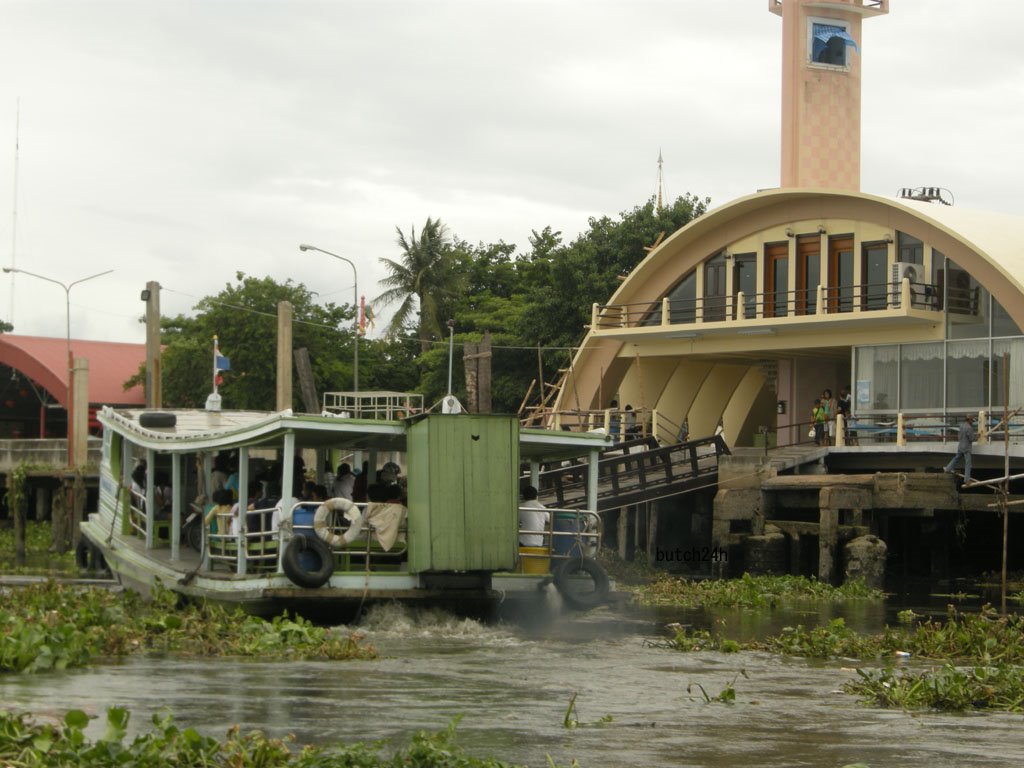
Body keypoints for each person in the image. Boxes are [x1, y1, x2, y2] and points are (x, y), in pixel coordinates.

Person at [944, 414, 977, 482]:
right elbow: (971, 439)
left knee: (956, 458)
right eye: (972, 421)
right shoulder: (969, 428)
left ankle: (948, 469)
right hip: (966, 448)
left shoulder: (961, 426)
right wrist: (977, 436)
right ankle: (967, 479)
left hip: (960, 445)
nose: (972, 422)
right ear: (970, 420)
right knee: (968, 464)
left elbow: (959, 436)